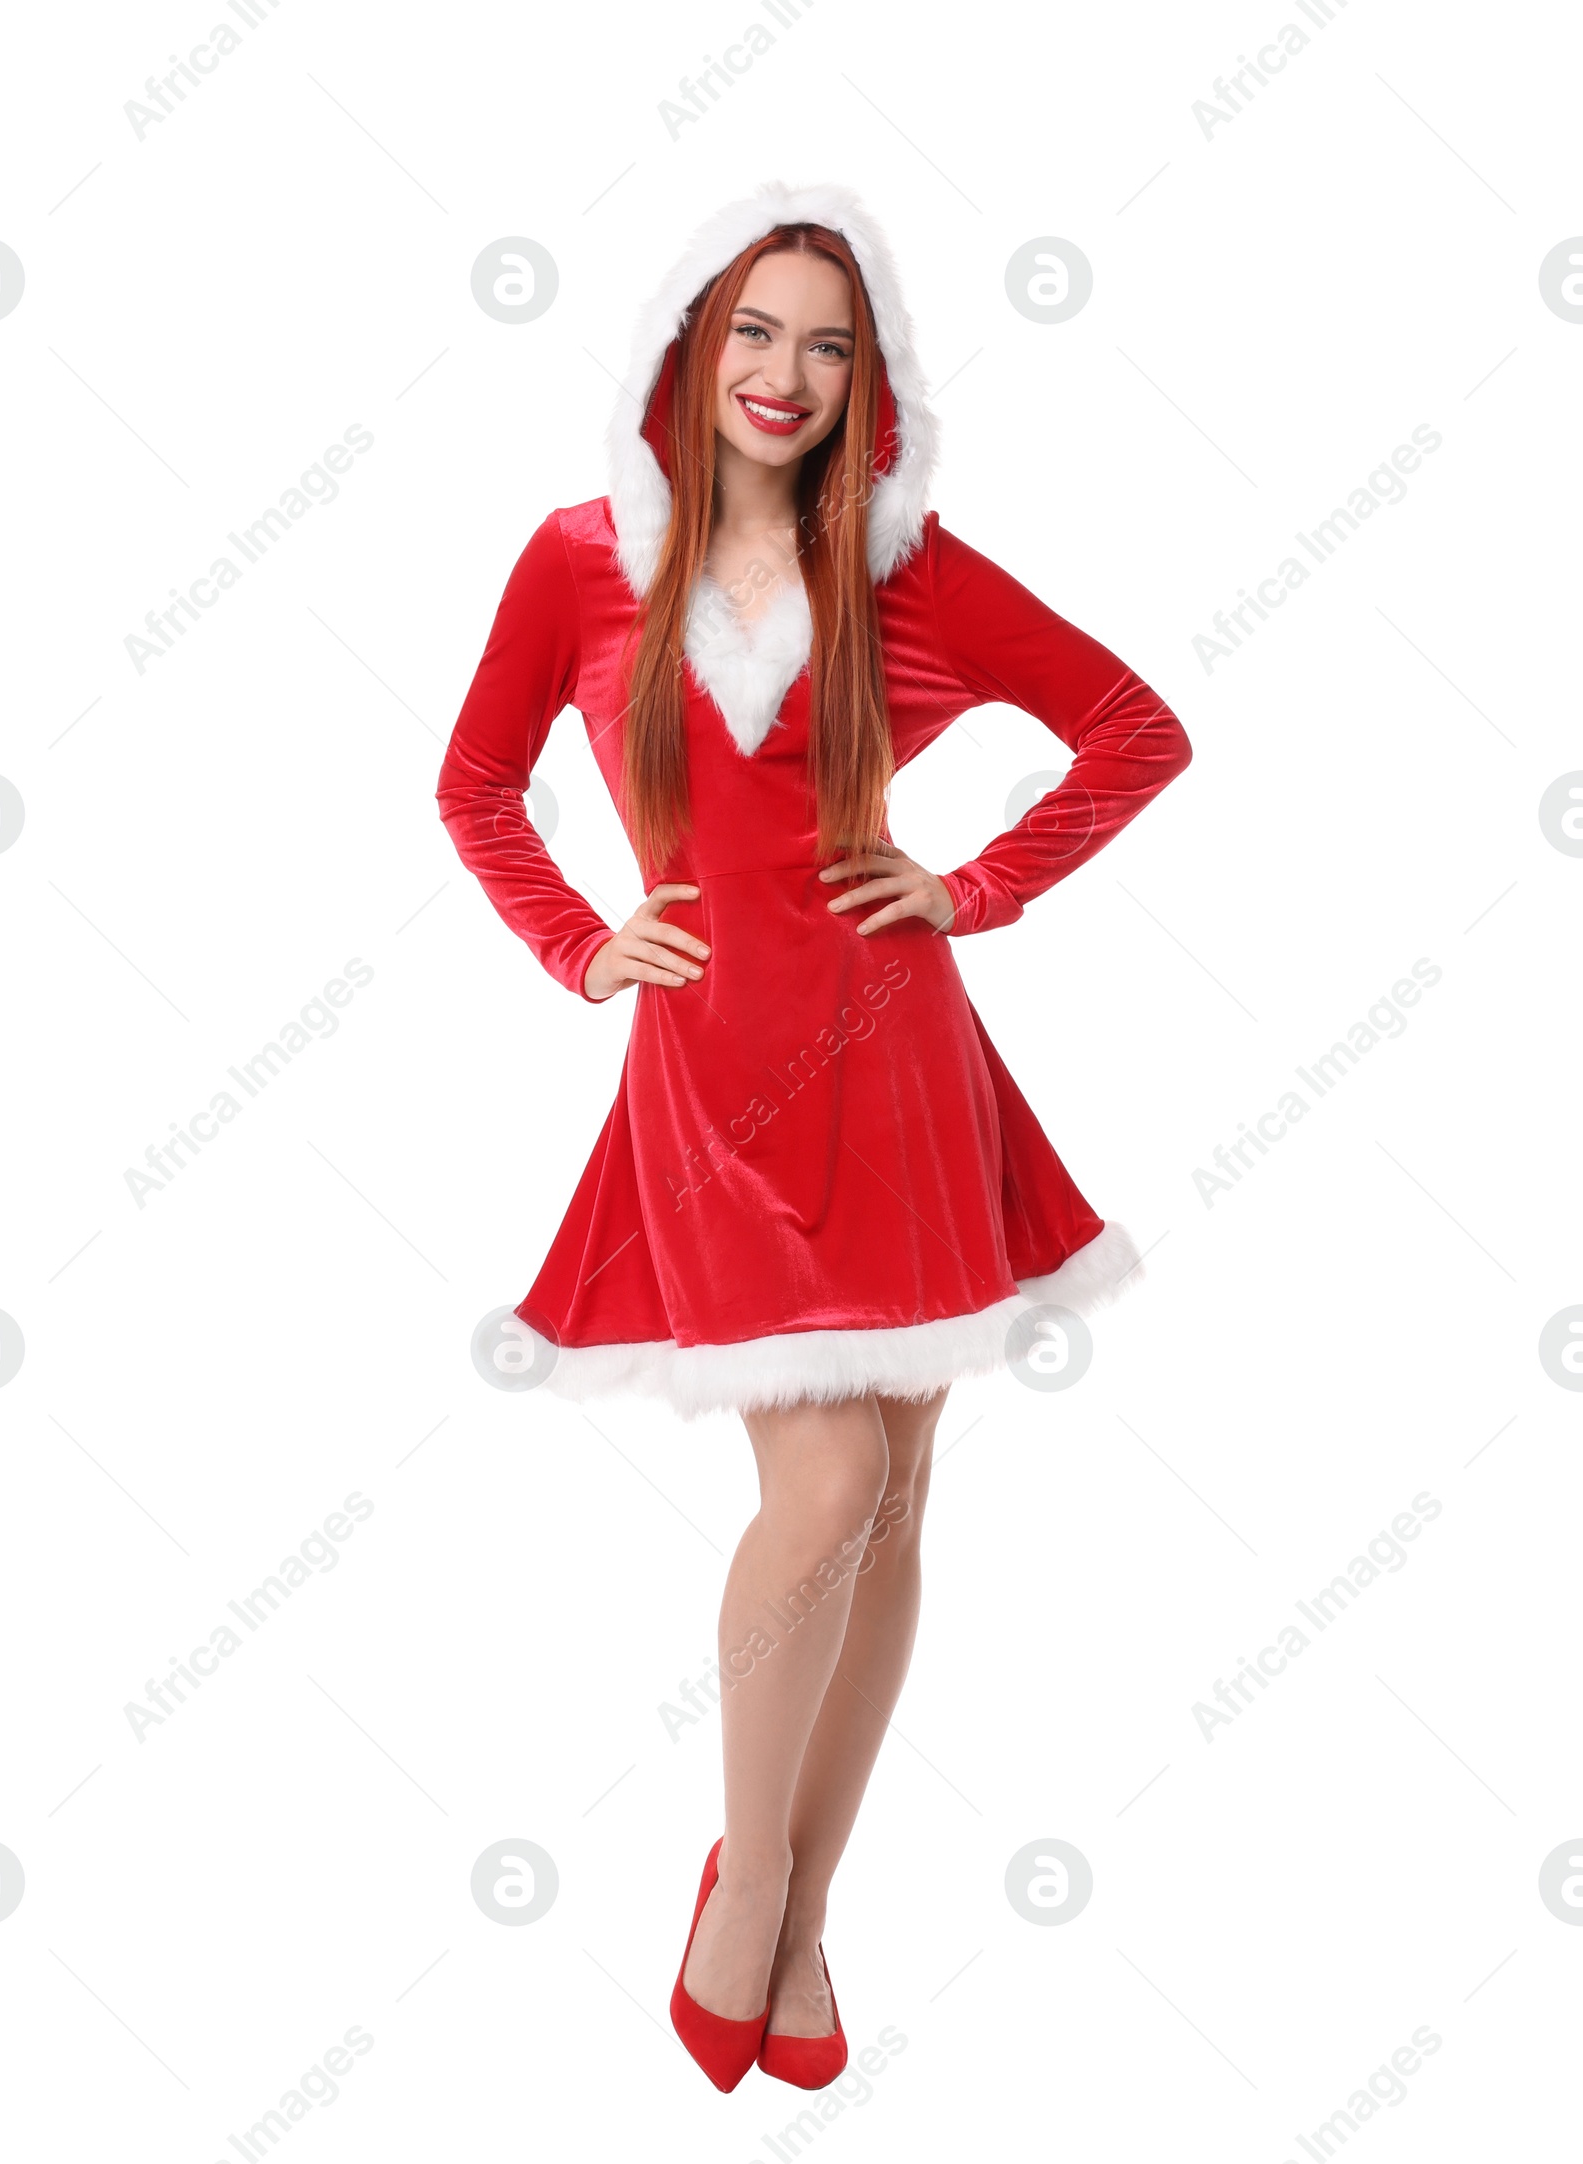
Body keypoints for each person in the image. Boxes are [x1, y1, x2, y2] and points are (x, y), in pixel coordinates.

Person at [436, 181, 1192, 2091]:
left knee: (901, 1493)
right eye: (755, 333)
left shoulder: (906, 573)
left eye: (828, 344)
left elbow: (1133, 727)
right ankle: (743, 1887)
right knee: (826, 1486)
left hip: (900, 1063)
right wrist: (577, 942)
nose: (786, 374)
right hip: (710, 1080)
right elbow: (472, 784)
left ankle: (809, 1902)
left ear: (871, 382)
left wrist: (977, 887)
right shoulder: (578, 561)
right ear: (688, 353)